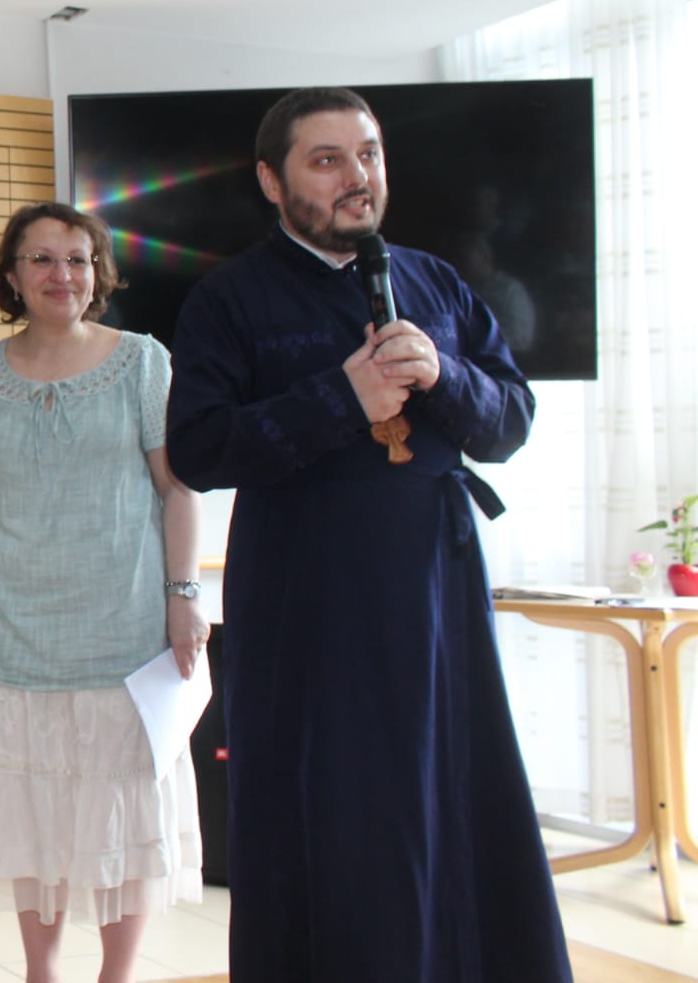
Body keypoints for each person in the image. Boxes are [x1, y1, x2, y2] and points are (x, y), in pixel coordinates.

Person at [164, 87, 568, 983]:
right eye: (328, 159)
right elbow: (197, 449)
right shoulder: (230, 297)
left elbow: (510, 421)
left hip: (434, 584)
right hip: (309, 593)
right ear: (273, 181)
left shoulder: (436, 281)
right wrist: (340, 398)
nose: (359, 176)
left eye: (370, 154)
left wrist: (446, 375)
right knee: (340, 804)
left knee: (450, 785)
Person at [0, 201, 204, 983]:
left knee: (121, 811)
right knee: (30, 815)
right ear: (12, 276)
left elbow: (178, 487)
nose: (62, 274)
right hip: (7, 625)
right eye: (42, 259)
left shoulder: (144, 361)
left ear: (97, 273)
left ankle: (116, 975)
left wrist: (184, 594)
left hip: (124, 627)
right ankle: (40, 973)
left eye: (77, 258)